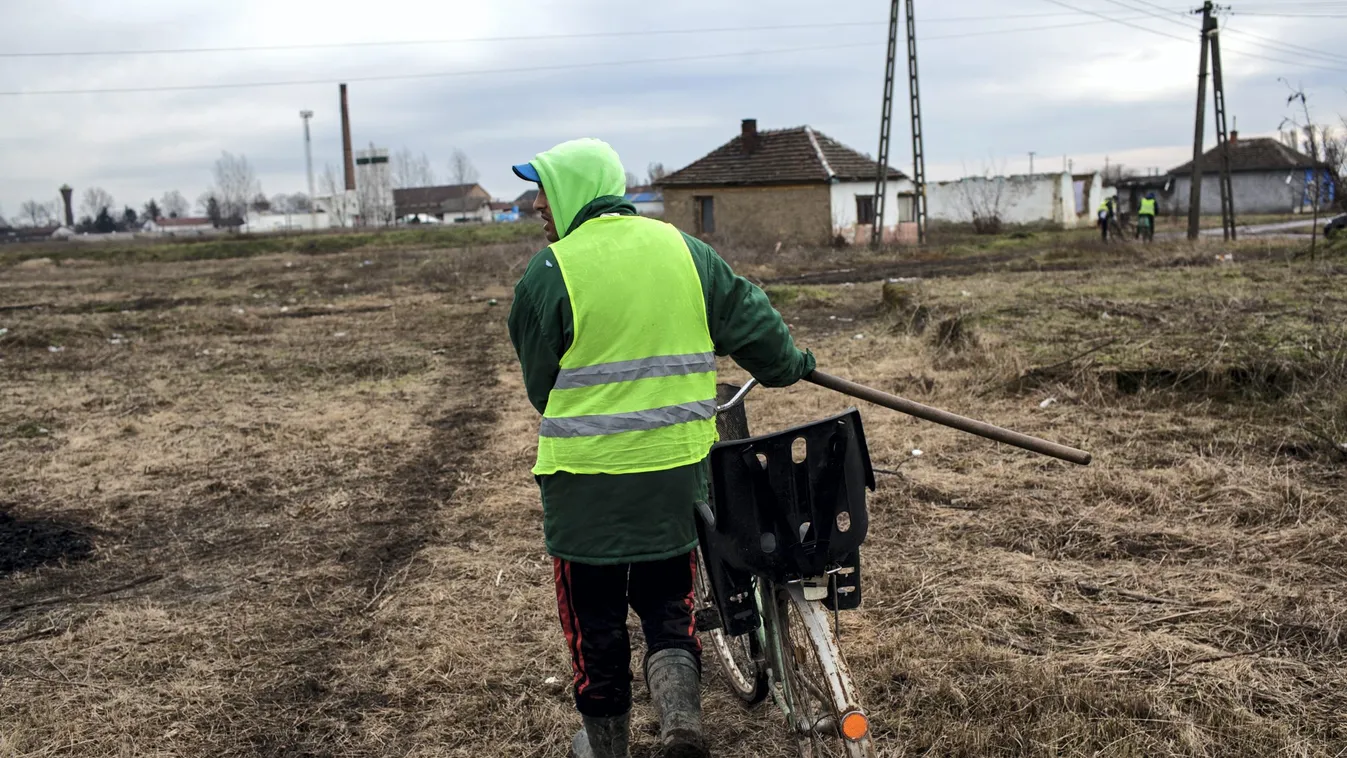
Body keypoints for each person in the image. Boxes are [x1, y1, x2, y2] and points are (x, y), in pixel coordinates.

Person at [507, 138, 815, 758]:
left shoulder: (549, 274)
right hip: (677, 478)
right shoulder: (687, 252)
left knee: (594, 624)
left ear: (574, 189)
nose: (537, 204)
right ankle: (681, 725)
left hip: (586, 488)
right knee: (668, 605)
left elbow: (544, 390)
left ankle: (608, 746)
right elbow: (755, 325)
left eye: (543, 189)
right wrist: (792, 364)